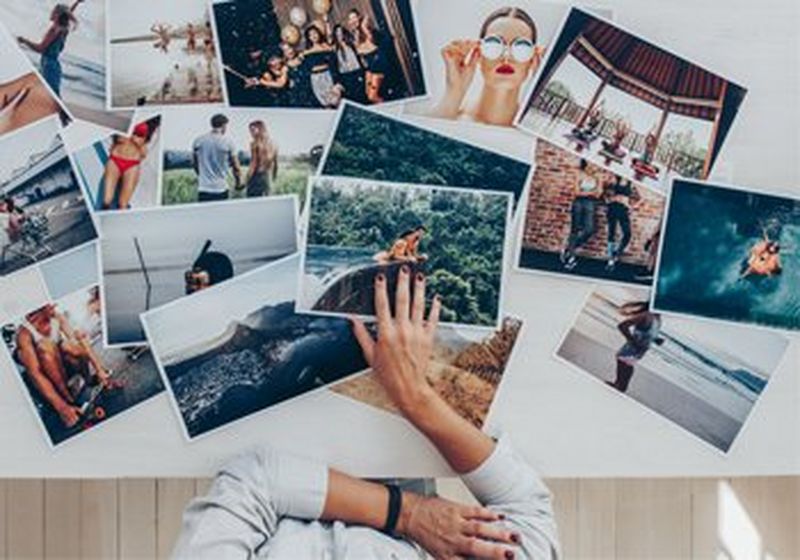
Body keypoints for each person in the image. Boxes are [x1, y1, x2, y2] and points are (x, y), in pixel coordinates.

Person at [173, 267, 560, 559]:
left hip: (285, 441)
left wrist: (409, 515)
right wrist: (415, 396)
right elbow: (527, 509)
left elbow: (252, 480)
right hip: (396, 442)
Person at [431, 7, 543, 126]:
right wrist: (453, 93)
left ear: (532, 59)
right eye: (493, 45)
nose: (506, 57)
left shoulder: (535, 130)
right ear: (479, 53)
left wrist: (544, 88)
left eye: (522, 48)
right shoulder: (449, 116)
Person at [14, 303, 120, 429]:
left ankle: (86, 384)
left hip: (65, 368)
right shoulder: (24, 334)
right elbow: (36, 375)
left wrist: (100, 370)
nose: (54, 306)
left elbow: (81, 341)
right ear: (37, 309)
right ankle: (69, 400)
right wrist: (62, 408)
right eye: (49, 305)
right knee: (45, 348)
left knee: (68, 346)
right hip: (49, 379)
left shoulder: (57, 317)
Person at [17, 0, 84, 96]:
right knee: (52, 95)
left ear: (58, 15)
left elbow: (40, 49)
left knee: (50, 96)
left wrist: (24, 41)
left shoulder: (54, 30)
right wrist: (76, 3)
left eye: (53, 11)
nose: (51, 12)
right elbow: (68, 13)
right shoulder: (63, 29)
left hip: (48, 67)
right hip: (53, 66)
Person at [102, 119, 159, 210]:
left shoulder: (149, 122)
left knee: (123, 204)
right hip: (115, 159)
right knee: (106, 200)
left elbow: (143, 151)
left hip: (132, 164)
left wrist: (137, 141)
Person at [607, 301, 663, 393]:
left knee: (624, 361)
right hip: (640, 347)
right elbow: (622, 326)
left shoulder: (655, 318)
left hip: (639, 346)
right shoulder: (648, 316)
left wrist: (656, 339)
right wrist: (631, 339)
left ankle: (620, 385)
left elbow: (650, 333)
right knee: (627, 363)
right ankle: (621, 385)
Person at [561, 159, 602, 271]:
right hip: (578, 203)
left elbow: (598, 194)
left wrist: (585, 192)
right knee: (575, 229)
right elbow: (576, 192)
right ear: (586, 163)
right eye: (591, 163)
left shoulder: (598, 177)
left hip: (590, 204)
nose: (594, 165)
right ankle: (571, 258)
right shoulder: (579, 174)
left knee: (589, 229)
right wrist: (591, 192)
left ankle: (569, 249)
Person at [192, 114, 242, 202]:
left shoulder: (198, 141)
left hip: (204, 188)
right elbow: (236, 167)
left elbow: (195, 164)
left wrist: (202, 177)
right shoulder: (228, 142)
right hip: (221, 188)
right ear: (223, 125)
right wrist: (238, 183)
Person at [347, 9, 385, 104]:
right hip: (369, 66)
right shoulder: (355, 35)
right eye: (350, 19)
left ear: (359, 17)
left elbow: (372, 41)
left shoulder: (367, 29)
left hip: (377, 63)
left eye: (354, 17)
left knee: (372, 96)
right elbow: (359, 51)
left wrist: (364, 26)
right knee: (368, 94)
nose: (353, 20)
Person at [302, 26, 343, 108]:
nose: (313, 36)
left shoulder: (327, 48)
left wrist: (337, 81)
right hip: (315, 78)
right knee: (324, 102)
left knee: (335, 100)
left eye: (315, 33)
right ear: (308, 38)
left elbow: (334, 65)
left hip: (327, 75)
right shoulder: (306, 52)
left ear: (319, 34)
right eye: (310, 35)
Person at [604, 176, 635, 271]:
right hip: (612, 208)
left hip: (623, 210)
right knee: (612, 233)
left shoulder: (631, 182)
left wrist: (631, 206)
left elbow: (638, 197)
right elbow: (605, 193)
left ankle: (616, 253)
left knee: (627, 233)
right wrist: (609, 201)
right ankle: (610, 260)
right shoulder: (614, 179)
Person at [332, 24, 368, 104]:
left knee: (362, 96)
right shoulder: (335, 49)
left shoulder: (351, 44)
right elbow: (334, 65)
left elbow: (359, 57)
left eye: (341, 32)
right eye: (337, 33)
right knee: (352, 98)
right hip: (345, 76)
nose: (340, 35)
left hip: (357, 72)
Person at [245, 120, 278, 198]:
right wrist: (273, 179)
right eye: (250, 131)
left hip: (256, 177)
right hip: (267, 177)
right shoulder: (274, 143)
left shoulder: (255, 143)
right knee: (266, 201)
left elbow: (253, 164)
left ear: (260, 129)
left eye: (253, 130)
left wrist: (246, 180)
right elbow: (276, 165)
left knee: (252, 202)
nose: (251, 133)